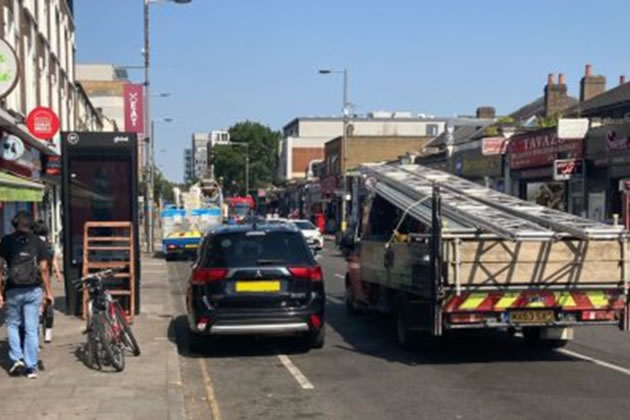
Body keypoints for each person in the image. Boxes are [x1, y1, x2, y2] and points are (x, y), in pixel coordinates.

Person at [0, 211, 53, 379]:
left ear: (14, 224)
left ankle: (17, 359)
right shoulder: (38, 242)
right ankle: (31, 367)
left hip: (13, 289)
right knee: (31, 328)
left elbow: (0, 268)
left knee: (13, 325)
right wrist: (48, 292)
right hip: (33, 289)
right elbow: (44, 269)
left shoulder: (6, 241)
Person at [33, 220, 63, 343]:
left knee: (40, 299)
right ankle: (48, 334)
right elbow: (54, 259)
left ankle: (39, 314)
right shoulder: (49, 244)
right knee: (48, 298)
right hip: (46, 274)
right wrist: (58, 273)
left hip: (33, 275)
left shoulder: (31, 242)